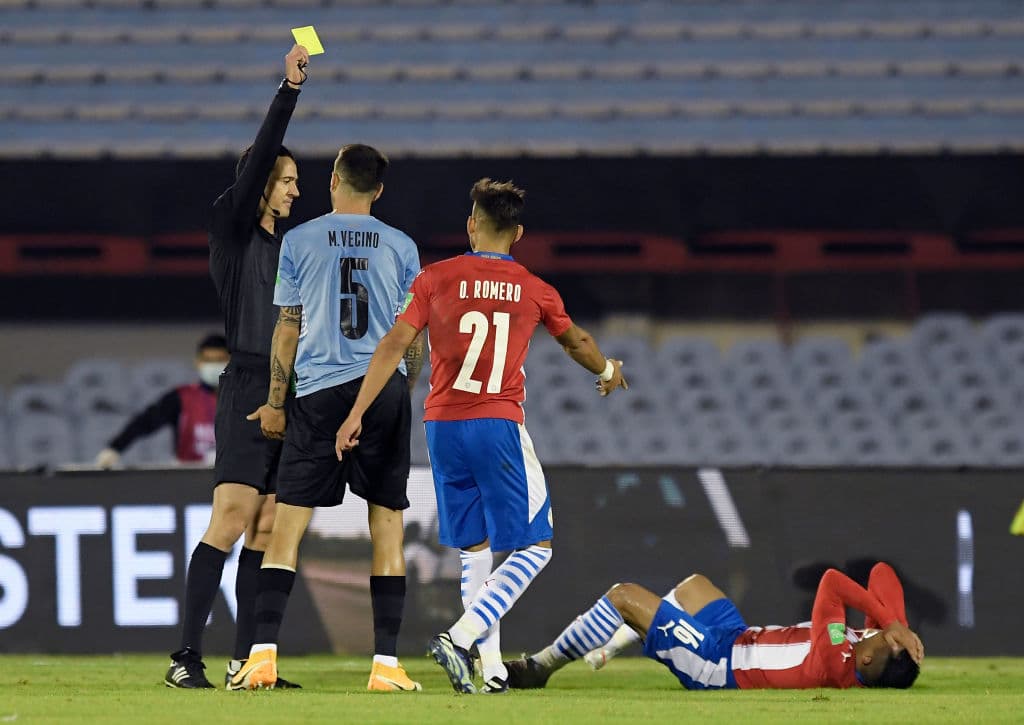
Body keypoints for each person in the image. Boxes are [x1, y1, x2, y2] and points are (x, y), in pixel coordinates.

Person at [336, 178, 628, 694]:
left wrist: (357, 411)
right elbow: (576, 342)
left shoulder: (435, 278)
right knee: (537, 547)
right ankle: (462, 636)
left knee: (475, 551)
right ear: (518, 233)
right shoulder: (535, 289)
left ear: (471, 224)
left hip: (442, 426)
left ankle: (490, 671)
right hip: (497, 423)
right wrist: (606, 371)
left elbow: (394, 344)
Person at [231, 144, 424, 693]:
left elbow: (288, 327)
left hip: (316, 392)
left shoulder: (299, 239)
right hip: (381, 389)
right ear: (379, 190)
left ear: (334, 178)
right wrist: (399, 389)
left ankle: (262, 656)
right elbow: (412, 338)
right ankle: (385, 666)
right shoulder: (403, 247)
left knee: (288, 523)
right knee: (386, 524)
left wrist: (275, 399)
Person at [164, 44, 308, 690]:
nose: (296, 188)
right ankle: (183, 658)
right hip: (248, 382)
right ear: (261, 182)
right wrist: (289, 90)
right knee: (231, 516)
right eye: (288, 179)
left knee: (269, 525)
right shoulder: (232, 227)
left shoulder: (289, 248)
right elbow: (256, 168)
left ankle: (246, 662)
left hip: (289, 390)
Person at [504, 562, 924, 691]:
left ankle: (541, 666)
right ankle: (624, 639)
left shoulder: (836, 655)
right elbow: (882, 573)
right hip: (738, 638)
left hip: (715, 663)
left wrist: (891, 623)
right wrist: (900, 625)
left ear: (868, 657)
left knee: (624, 595)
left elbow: (832, 582)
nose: (877, 630)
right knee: (693, 586)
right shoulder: (869, 656)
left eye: (883, 637)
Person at [95, 334, 228, 467]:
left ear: (230, 361)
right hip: (189, 474)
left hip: (232, 478)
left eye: (219, 360)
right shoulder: (181, 397)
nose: (214, 366)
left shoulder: (243, 399)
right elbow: (145, 422)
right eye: (208, 360)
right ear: (198, 363)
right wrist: (114, 448)